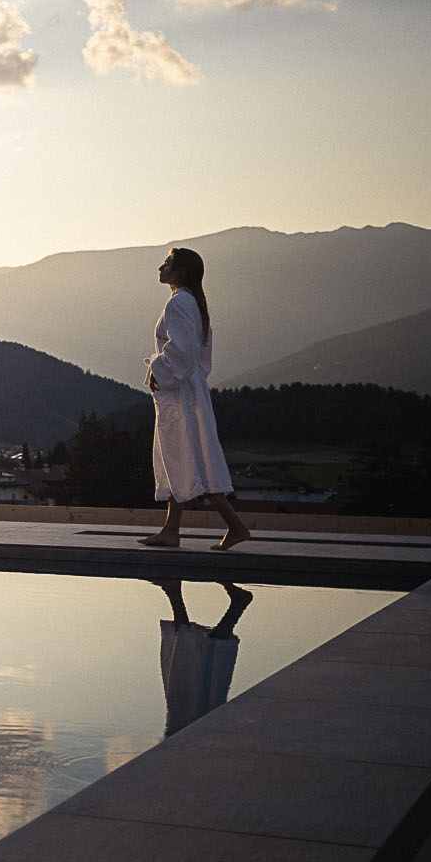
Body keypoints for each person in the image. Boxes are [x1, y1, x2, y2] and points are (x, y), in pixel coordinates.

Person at [137, 247, 252, 551]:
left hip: (181, 393)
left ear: (182, 271)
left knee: (191, 455)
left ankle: (234, 526)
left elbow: (184, 351)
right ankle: (172, 530)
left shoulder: (180, 303)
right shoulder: (191, 303)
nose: (161, 267)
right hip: (188, 388)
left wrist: (159, 373)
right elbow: (200, 357)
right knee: (184, 455)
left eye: (169, 263)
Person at [151, 579, 254, 735]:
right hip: (193, 731)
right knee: (194, 678)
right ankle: (175, 593)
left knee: (185, 673)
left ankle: (175, 593)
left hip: (188, 730)